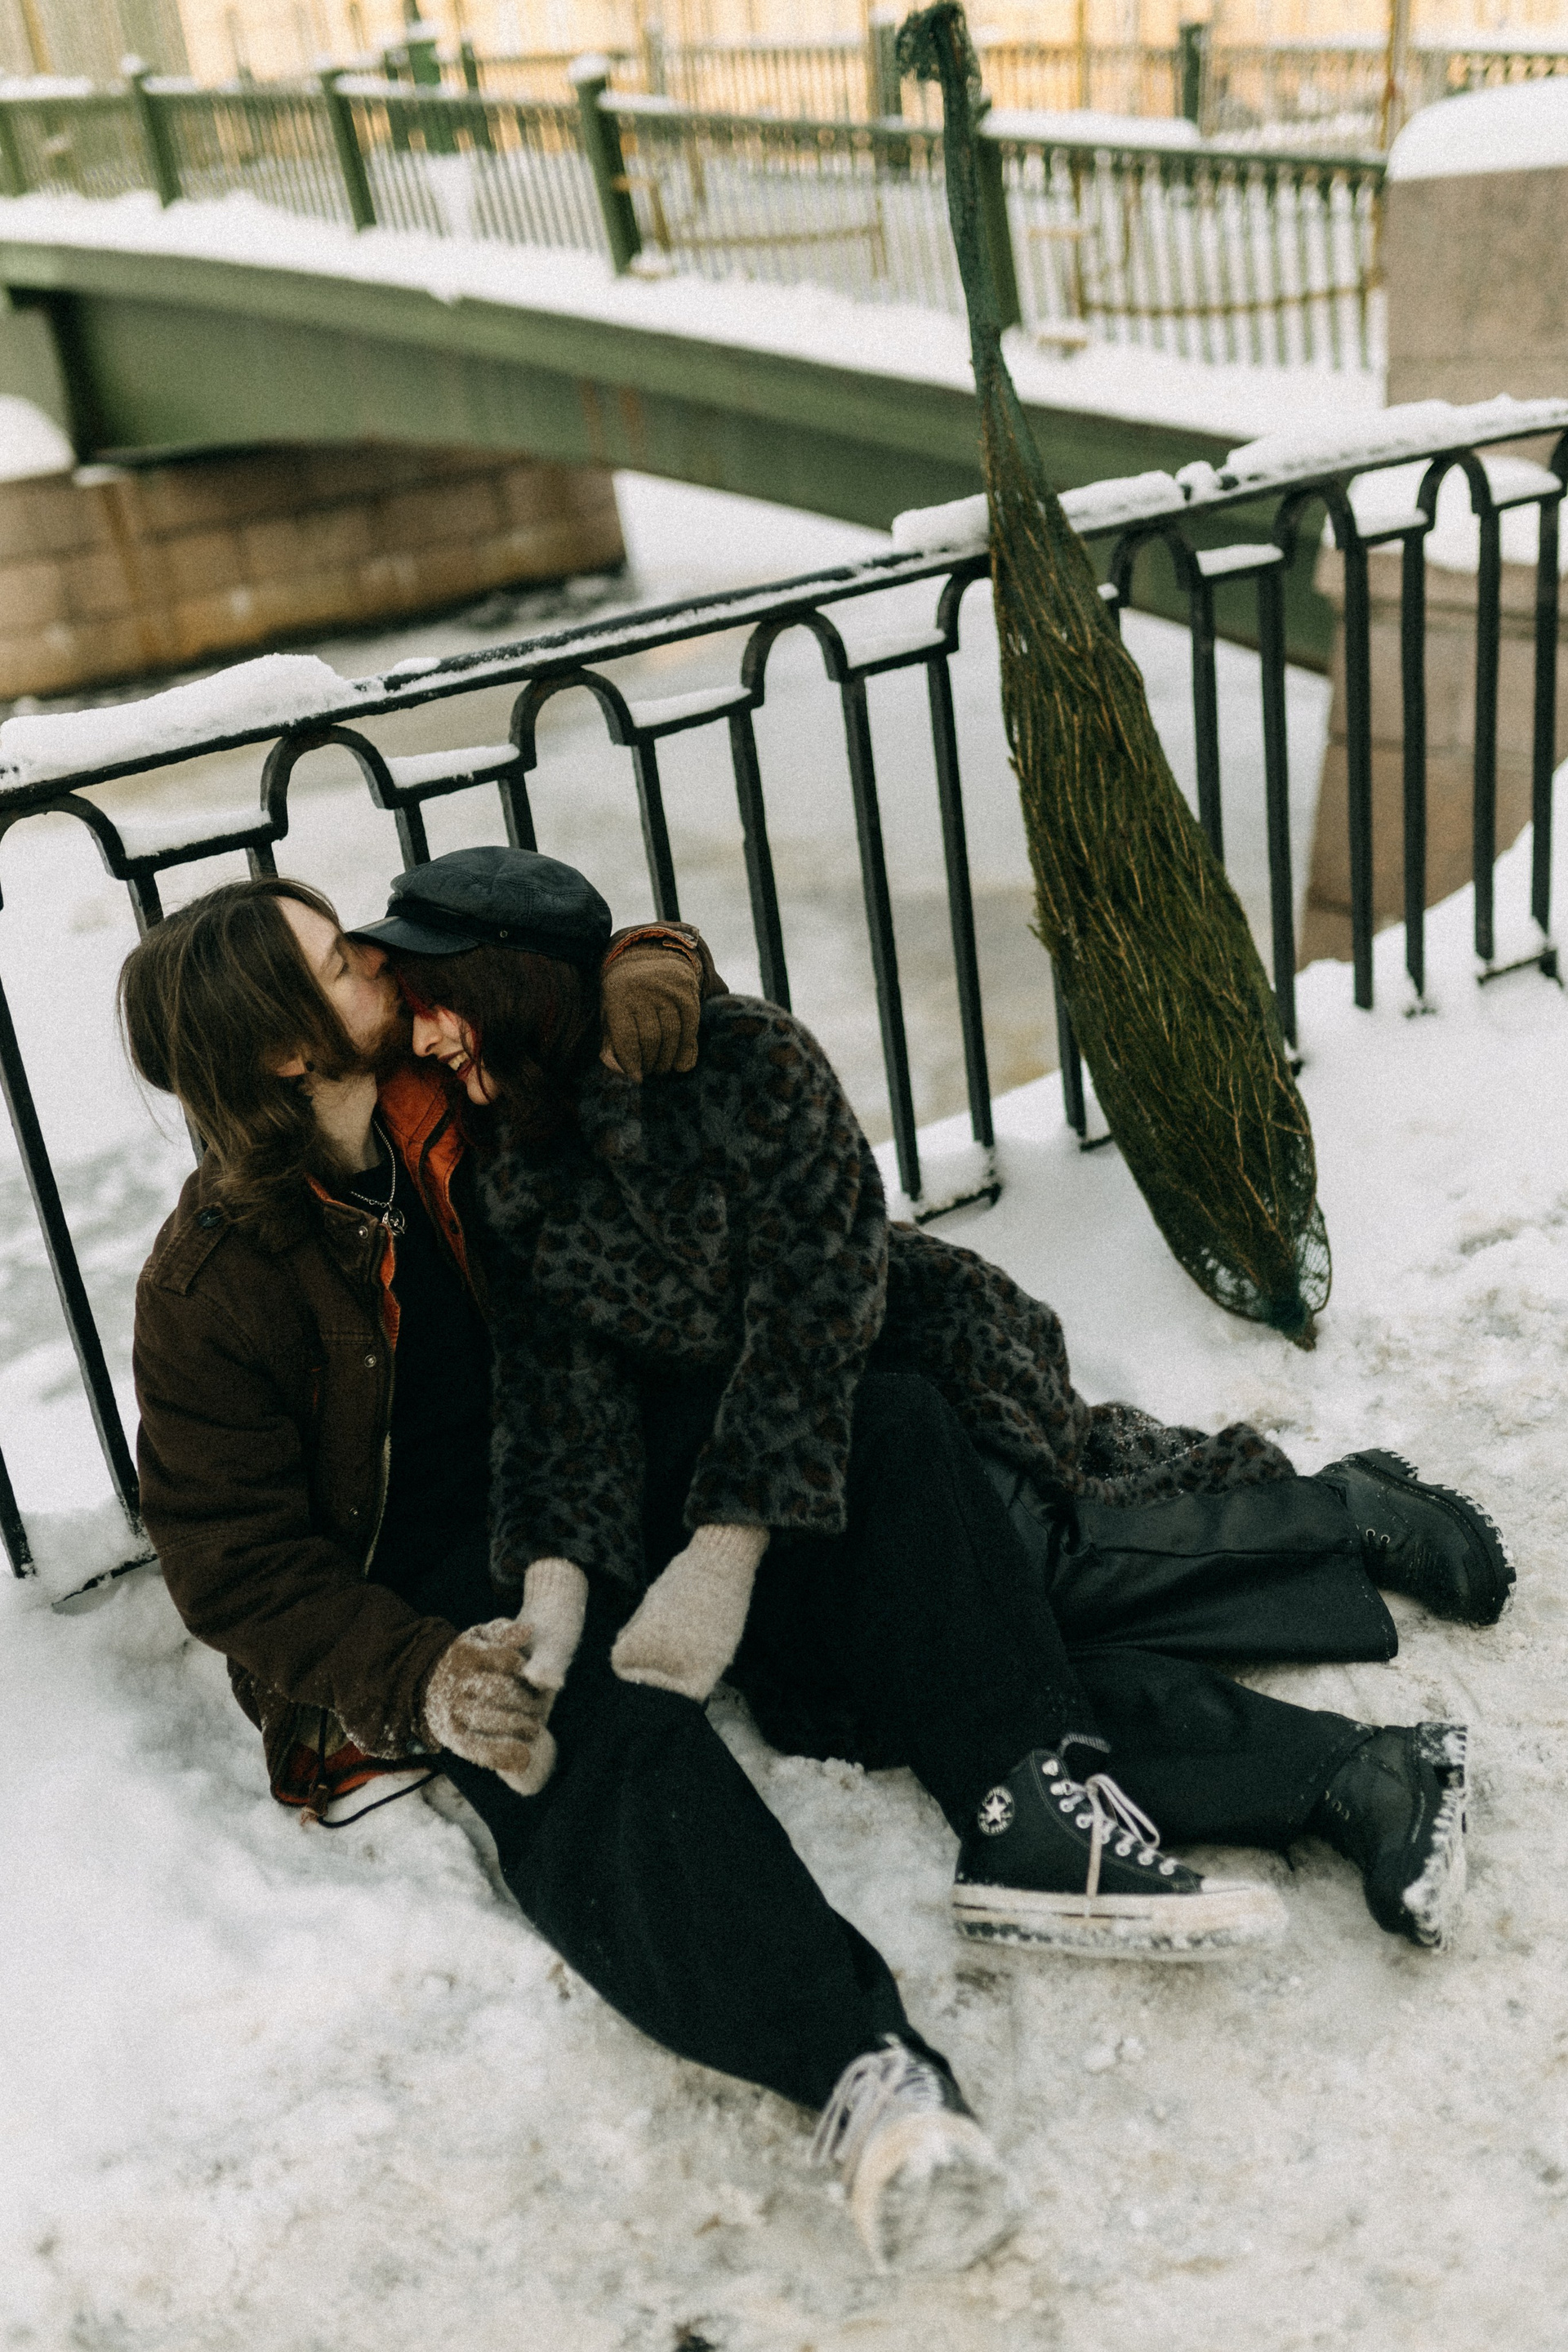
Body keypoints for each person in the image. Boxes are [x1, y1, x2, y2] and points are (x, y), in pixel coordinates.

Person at [120, 853, 1504, 2278]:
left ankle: (1101, 1800)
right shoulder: (207, 1292)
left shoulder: (435, 1084)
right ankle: (866, 2077)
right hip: (452, 1597)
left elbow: (555, 970)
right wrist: (420, 1678)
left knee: (892, 1456)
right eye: (337, 963)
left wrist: (654, 962)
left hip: (606, 1458)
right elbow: (232, 1568)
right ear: (285, 1050)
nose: (373, 960)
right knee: (602, 1748)